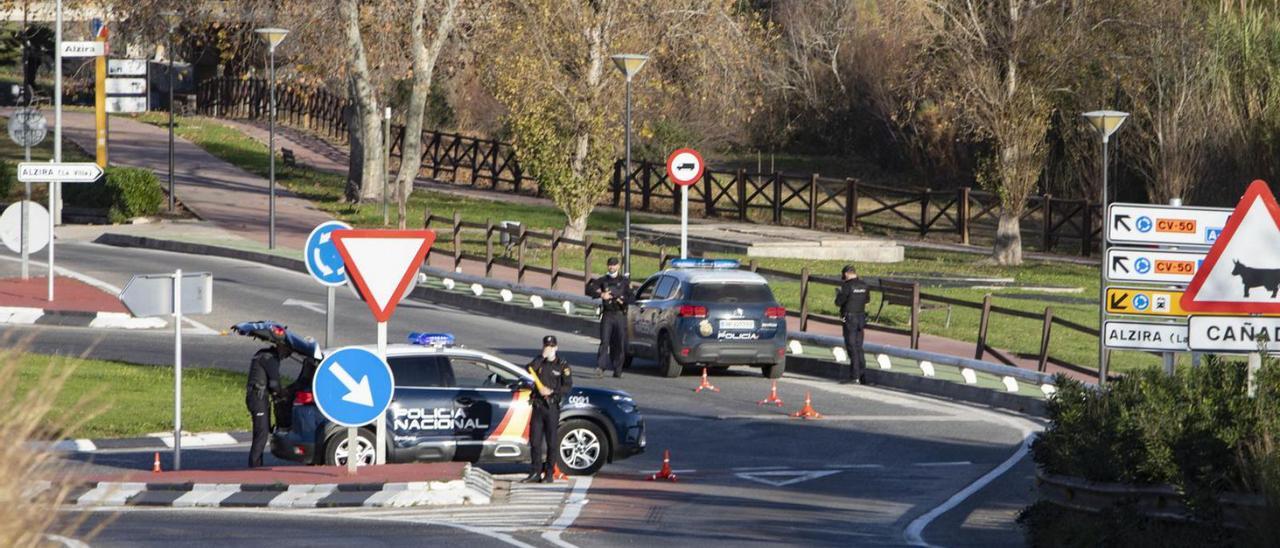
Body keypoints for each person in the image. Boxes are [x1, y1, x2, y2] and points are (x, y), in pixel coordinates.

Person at [524, 335, 573, 483]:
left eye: (551, 347)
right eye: (546, 346)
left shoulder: (562, 365)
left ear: (556, 348)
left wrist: (552, 391)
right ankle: (535, 472)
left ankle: (549, 473)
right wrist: (541, 357)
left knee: (552, 442)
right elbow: (528, 369)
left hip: (551, 406)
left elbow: (567, 386)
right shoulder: (540, 362)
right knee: (535, 441)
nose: (549, 349)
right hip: (538, 405)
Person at [246, 327, 291, 468]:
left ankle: (256, 464)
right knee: (262, 434)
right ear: (281, 347)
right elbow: (274, 384)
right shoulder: (270, 358)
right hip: (258, 398)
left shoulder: (263, 354)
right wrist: (285, 394)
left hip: (257, 397)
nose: (286, 356)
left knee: (261, 432)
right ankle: (255, 467)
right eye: (287, 353)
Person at [586, 256, 631, 378]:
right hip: (608, 314)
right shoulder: (603, 280)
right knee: (605, 341)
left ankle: (618, 368)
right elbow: (588, 289)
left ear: (618, 266)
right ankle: (601, 366)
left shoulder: (624, 281)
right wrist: (601, 294)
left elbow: (632, 297)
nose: (612, 267)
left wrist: (623, 300)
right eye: (610, 265)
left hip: (620, 315)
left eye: (614, 265)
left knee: (619, 342)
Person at [835, 264, 870, 385]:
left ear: (846, 274)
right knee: (859, 346)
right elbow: (867, 300)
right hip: (861, 318)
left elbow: (839, 302)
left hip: (849, 318)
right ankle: (863, 375)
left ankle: (854, 376)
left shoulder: (847, 286)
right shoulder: (864, 285)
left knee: (851, 346)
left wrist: (838, 294)